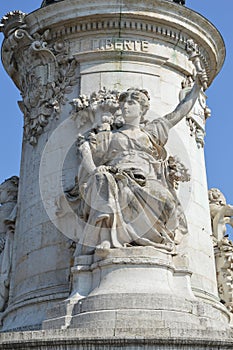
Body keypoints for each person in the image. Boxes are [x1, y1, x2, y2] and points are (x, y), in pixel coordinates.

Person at [71, 73, 206, 256]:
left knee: (165, 198)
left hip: (146, 178)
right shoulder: (109, 136)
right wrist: (94, 167)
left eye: (131, 103)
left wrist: (196, 88)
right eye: (123, 104)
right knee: (103, 180)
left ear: (142, 110)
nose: (125, 107)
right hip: (116, 175)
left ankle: (155, 238)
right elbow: (87, 155)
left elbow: (179, 113)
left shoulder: (152, 131)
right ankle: (104, 238)